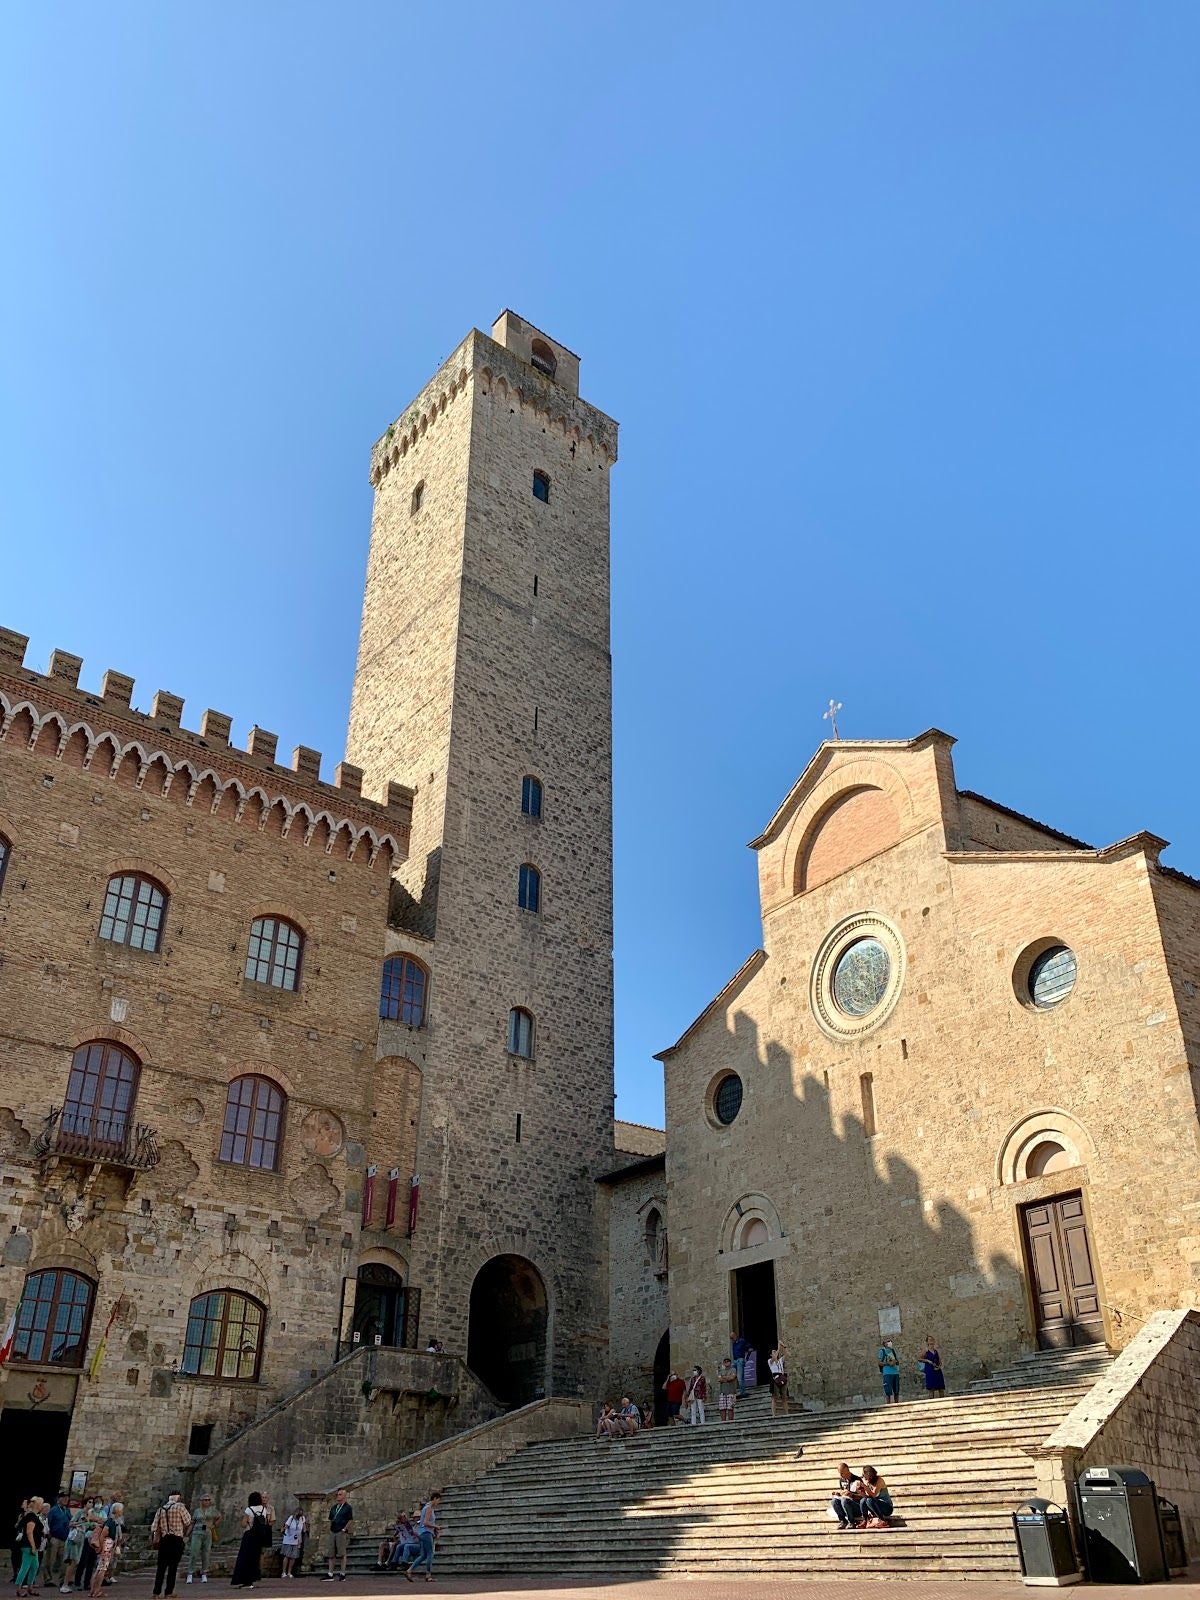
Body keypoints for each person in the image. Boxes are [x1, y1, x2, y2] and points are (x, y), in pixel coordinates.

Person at [150, 1492, 193, 1600]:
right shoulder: (180, 1507)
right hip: (176, 1539)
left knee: (161, 1568)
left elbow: (154, 1526)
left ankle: (156, 1593)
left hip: (164, 1539)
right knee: (173, 1568)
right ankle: (168, 1592)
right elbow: (188, 1521)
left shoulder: (161, 1509)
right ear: (178, 1498)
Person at [229, 1493, 272, 1589]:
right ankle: (252, 1579)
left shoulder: (249, 1510)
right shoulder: (263, 1509)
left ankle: (245, 1581)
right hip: (259, 1537)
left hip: (249, 1535)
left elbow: (244, 1524)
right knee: (255, 1558)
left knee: (245, 1558)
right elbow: (265, 1522)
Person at [403, 1493, 441, 1583]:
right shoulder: (429, 1508)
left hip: (423, 1533)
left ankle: (409, 1570)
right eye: (438, 1500)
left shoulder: (426, 1508)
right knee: (430, 1553)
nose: (439, 1502)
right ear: (435, 1498)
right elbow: (426, 1522)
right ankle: (428, 1575)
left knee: (423, 1555)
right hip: (427, 1532)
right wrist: (436, 1527)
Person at [186, 1495, 221, 1584]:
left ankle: (204, 1573)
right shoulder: (197, 1511)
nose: (207, 1501)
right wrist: (187, 1534)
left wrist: (215, 1524)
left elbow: (219, 1516)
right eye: (205, 1500)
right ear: (201, 1501)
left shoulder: (212, 1510)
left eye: (208, 1500)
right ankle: (190, 1573)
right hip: (197, 1532)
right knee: (194, 1552)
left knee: (206, 1553)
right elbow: (192, 1522)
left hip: (207, 1532)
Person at [16, 1497, 45, 1597]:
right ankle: (19, 1588)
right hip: (29, 1546)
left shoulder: (32, 1515)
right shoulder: (31, 1517)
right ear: (38, 1505)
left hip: (33, 1546)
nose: (42, 1506)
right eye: (41, 1504)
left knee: (34, 1566)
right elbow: (29, 1532)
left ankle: (30, 1587)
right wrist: (33, 1546)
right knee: (25, 1567)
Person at [322, 1490, 353, 1582]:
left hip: (341, 1531)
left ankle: (342, 1574)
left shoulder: (347, 1507)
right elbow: (331, 1519)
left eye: (340, 1495)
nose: (338, 1496)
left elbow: (350, 1520)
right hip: (333, 1531)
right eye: (337, 1494)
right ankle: (330, 1573)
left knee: (342, 1553)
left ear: (344, 1496)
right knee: (331, 1553)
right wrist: (329, 1529)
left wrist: (344, 1529)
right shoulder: (334, 1507)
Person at [45, 1492, 71, 1590]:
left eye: (67, 1498)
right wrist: (50, 1537)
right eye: (63, 1498)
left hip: (64, 1538)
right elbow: (48, 1523)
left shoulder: (67, 1510)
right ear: (58, 1499)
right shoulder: (53, 1510)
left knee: (64, 1560)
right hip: (55, 1538)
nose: (66, 1500)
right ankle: (48, 1579)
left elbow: (70, 1521)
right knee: (50, 1559)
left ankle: (62, 1579)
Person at [61, 1502, 86, 1594]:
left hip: (81, 1540)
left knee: (75, 1562)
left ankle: (67, 1583)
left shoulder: (89, 1514)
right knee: (73, 1561)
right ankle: (64, 1585)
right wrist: (81, 1522)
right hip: (74, 1540)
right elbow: (71, 1524)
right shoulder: (80, 1513)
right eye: (89, 1502)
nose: (91, 1504)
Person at [830, 1464, 865, 1529]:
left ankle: (852, 1522)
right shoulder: (841, 1480)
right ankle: (843, 1521)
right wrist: (839, 1494)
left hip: (857, 1507)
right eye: (840, 1473)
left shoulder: (857, 1479)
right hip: (846, 1506)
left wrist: (852, 1495)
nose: (841, 1475)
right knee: (834, 1501)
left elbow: (863, 1497)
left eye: (842, 1473)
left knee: (845, 1500)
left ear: (847, 1470)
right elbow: (843, 1493)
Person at [280, 1510, 306, 1579]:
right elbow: (286, 1526)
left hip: (296, 1540)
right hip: (288, 1539)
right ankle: (284, 1572)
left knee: (293, 1557)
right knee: (287, 1555)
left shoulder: (302, 1518)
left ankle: (289, 1572)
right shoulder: (291, 1518)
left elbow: (304, 1529)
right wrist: (283, 1529)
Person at [768, 1344, 790, 1416]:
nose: (775, 1353)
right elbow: (774, 1357)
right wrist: (778, 1348)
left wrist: (784, 1347)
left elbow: (787, 1355)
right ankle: (774, 1415)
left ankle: (787, 1414)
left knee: (784, 1397)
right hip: (775, 1378)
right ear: (771, 1355)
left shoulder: (780, 1360)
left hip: (782, 1378)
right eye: (773, 1352)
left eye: (776, 1352)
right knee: (774, 1397)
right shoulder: (770, 1361)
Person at [717, 1358, 738, 1422]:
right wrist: (728, 1378)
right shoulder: (721, 1371)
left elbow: (732, 1378)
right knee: (722, 1408)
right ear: (723, 1363)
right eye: (725, 1361)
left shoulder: (733, 1369)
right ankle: (723, 1422)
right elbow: (719, 1379)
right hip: (722, 1392)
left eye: (728, 1361)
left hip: (731, 1391)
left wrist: (724, 1377)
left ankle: (730, 1422)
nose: (726, 1362)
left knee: (730, 1408)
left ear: (730, 1362)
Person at [730, 1332, 750, 1397]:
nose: (731, 1339)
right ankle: (741, 1391)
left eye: (732, 1337)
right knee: (734, 1376)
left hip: (740, 1360)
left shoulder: (742, 1341)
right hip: (734, 1361)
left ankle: (742, 1392)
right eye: (731, 1338)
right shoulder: (733, 1343)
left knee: (739, 1377)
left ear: (735, 1335)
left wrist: (746, 1357)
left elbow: (749, 1348)